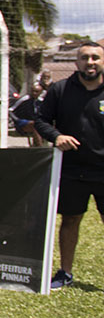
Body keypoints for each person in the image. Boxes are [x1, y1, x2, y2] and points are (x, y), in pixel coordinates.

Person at [33, 41, 104, 290]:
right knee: (70, 219)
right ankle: (65, 272)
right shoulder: (61, 90)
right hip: (71, 169)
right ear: (77, 62)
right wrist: (56, 136)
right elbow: (40, 120)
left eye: (95, 57)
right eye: (85, 58)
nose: (90, 62)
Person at [10, 82, 44, 146]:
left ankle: (38, 144)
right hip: (23, 122)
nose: (34, 93)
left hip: (35, 122)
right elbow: (10, 110)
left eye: (36, 92)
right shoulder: (25, 99)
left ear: (40, 92)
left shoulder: (41, 101)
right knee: (35, 125)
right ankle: (40, 146)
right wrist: (17, 120)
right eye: (33, 91)